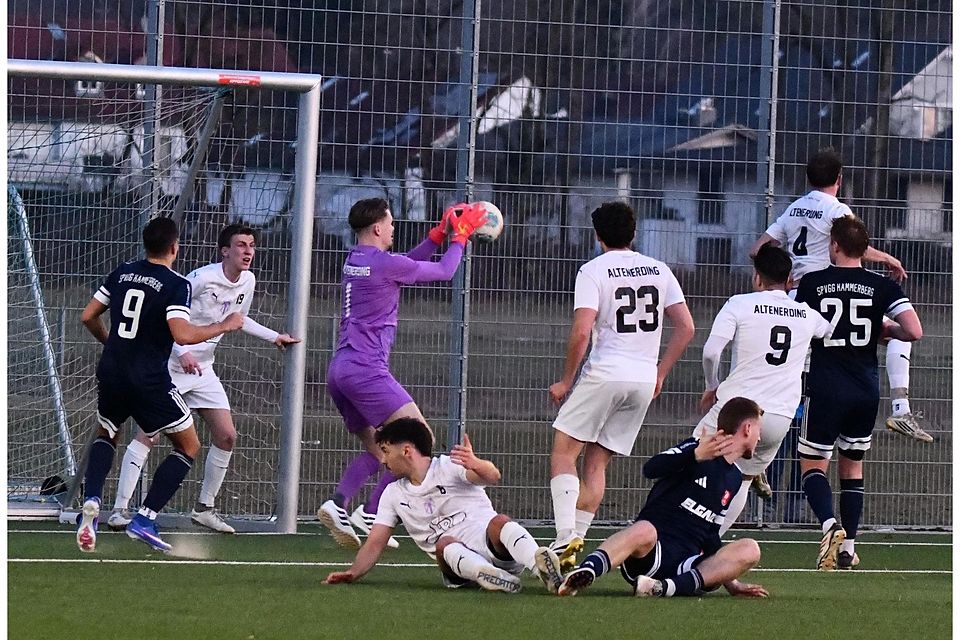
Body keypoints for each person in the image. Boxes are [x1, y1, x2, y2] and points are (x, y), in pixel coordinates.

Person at [318, 198, 491, 550]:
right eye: (391, 223)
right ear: (379, 228)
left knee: (384, 449)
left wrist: (438, 234)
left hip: (340, 369)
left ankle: (340, 504)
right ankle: (368, 513)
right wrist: (458, 238)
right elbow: (444, 272)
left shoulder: (356, 259)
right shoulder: (384, 264)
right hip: (367, 370)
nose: (394, 228)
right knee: (419, 437)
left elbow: (404, 265)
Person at [105, 224, 300, 534]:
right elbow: (166, 311)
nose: (248, 251)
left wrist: (274, 336)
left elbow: (237, 320)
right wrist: (181, 349)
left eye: (251, 245)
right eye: (241, 245)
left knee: (227, 435)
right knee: (148, 435)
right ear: (225, 250)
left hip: (204, 370)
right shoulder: (199, 278)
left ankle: (204, 509)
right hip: (171, 366)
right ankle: (119, 510)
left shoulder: (247, 281)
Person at [76, 216, 245, 553]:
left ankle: (92, 500)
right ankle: (144, 519)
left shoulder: (122, 272)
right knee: (189, 446)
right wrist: (224, 325)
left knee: (107, 431)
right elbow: (183, 333)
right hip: (148, 378)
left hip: (111, 370)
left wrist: (109, 342)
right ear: (174, 247)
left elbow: (87, 316)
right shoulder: (175, 283)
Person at [547, 201, 695, 569]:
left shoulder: (593, 270)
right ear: (634, 232)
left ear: (597, 236)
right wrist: (660, 372)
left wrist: (567, 380)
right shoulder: (659, 269)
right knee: (596, 464)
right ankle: (575, 542)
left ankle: (565, 537)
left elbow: (582, 331)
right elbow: (687, 327)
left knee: (565, 453)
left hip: (607, 373)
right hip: (643, 380)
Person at [751, 148, 930, 444]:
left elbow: (757, 250)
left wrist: (782, 273)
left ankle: (760, 435)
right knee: (896, 333)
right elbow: (853, 245)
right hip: (828, 293)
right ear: (839, 179)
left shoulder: (794, 208)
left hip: (795, 298)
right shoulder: (836, 209)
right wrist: (888, 258)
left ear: (808, 178)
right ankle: (900, 409)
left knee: (792, 373)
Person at [795, 216, 922, 570]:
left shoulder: (813, 283)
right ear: (864, 250)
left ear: (834, 245)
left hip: (825, 386)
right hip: (865, 389)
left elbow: (798, 325)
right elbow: (914, 331)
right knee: (852, 467)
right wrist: (883, 329)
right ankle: (848, 547)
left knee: (813, 465)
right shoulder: (881, 287)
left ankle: (829, 526)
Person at [557, 397, 768, 599]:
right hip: (650, 553)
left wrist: (729, 580)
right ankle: (586, 571)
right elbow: (651, 469)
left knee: (750, 548)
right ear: (748, 429)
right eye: (759, 430)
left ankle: (660, 588)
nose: (759, 438)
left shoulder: (734, 478)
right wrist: (694, 456)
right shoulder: (696, 447)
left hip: (685, 566)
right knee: (644, 529)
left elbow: (712, 537)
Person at [323, 418, 564, 593]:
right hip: (457, 568)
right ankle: (488, 575)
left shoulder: (449, 466)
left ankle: (542, 568)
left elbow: (492, 476)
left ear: (406, 450)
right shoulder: (392, 494)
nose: (383, 459)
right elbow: (375, 542)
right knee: (445, 543)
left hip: (498, 552)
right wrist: (353, 572)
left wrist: (475, 463)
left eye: (385, 451)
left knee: (500, 522)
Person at [694, 244, 832, 534]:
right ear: (790, 280)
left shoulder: (739, 304)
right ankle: (709, 546)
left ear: (757, 278)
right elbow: (828, 330)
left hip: (737, 409)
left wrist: (712, 386)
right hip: (778, 417)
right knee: (743, 478)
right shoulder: (807, 314)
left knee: (692, 460)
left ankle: (683, 538)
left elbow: (710, 352)